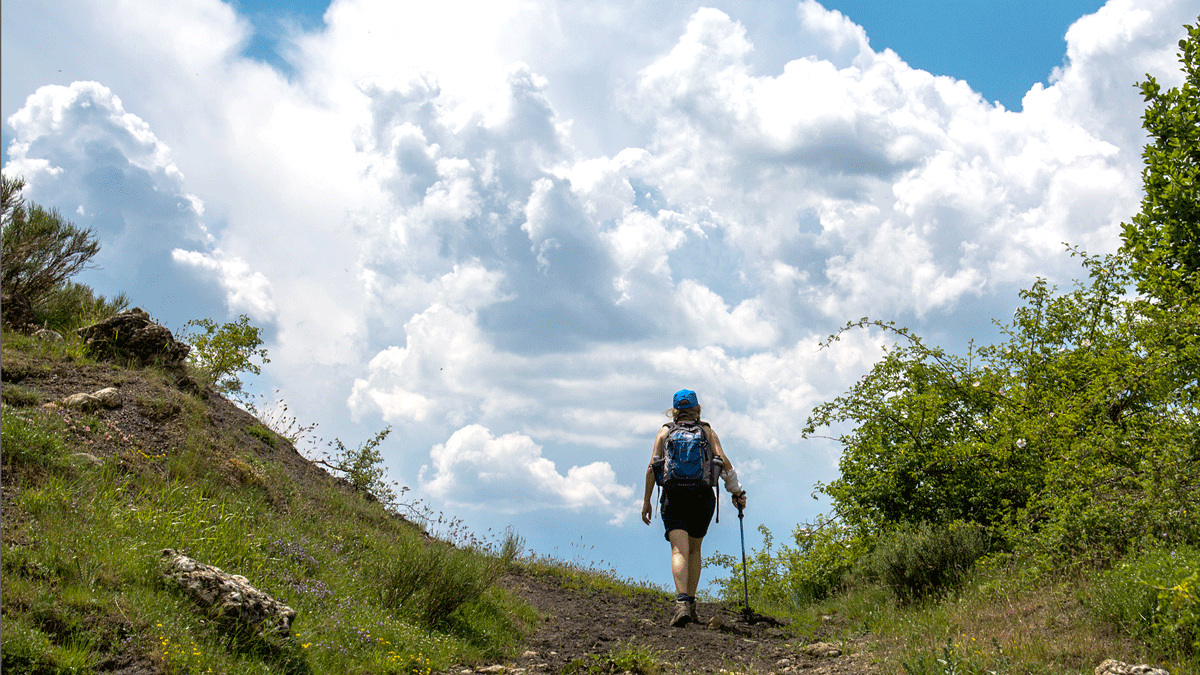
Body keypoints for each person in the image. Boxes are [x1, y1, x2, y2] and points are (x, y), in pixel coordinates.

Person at [642, 389, 747, 627]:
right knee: (694, 550)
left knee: (679, 550)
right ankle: (691, 603)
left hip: (674, 496)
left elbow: (652, 467)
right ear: (697, 409)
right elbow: (724, 463)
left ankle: (681, 606)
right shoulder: (707, 431)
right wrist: (737, 493)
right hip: (702, 497)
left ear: (675, 411)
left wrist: (647, 500)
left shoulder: (665, 432)